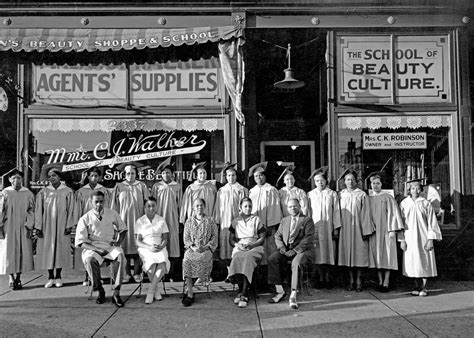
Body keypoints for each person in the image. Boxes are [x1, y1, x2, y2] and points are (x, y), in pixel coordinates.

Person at [75, 191, 127, 307]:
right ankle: (100, 290)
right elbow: (80, 242)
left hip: (109, 246)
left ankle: (116, 293)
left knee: (120, 256)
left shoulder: (112, 214)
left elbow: (123, 229)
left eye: (101, 201)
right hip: (93, 247)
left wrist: (118, 242)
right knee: (90, 260)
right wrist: (96, 249)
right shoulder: (85, 218)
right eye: (96, 202)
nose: (99, 204)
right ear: (91, 202)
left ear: (104, 201)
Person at [268, 198, 315, 310]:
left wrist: (294, 250)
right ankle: (280, 291)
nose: (292, 208)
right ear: (287, 208)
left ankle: (293, 294)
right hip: (286, 250)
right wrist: (283, 249)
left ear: (299, 206)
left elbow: (308, 238)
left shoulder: (307, 220)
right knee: (272, 258)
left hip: (301, 251)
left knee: (297, 263)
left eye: (294, 206)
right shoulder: (284, 220)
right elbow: (277, 236)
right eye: (290, 207)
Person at [34, 164, 76, 288]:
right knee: (48, 250)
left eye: (54, 175)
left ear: (59, 176)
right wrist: (38, 227)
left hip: (62, 225)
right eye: (49, 176)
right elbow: (38, 211)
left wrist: (69, 225)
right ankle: (50, 277)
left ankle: (58, 276)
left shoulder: (67, 191)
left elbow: (71, 209)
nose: (51, 178)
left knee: (60, 250)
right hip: (47, 226)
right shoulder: (43, 192)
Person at [400, 179, 442, 297]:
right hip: (409, 236)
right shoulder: (404, 203)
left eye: (418, 188)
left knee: (424, 261)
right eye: (413, 188)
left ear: (421, 190)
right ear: (409, 190)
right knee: (412, 262)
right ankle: (415, 286)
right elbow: (400, 222)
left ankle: (423, 287)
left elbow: (432, 222)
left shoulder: (425, 203)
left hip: (423, 235)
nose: (416, 190)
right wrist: (402, 239)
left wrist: (430, 239)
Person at [111, 162, 150, 283]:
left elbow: (147, 204)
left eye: (133, 173)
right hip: (123, 221)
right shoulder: (119, 186)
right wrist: (114, 222)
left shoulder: (141, 186)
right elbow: (114, 206)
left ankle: (137, 272)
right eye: (128, 173)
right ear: (124, 174)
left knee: (138, 246)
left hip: (139, 221)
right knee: (125, 246)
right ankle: (127, 273)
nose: (130, 175)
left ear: (136, 174)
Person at [336, 170, 374, 292]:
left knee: (359, 256)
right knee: (347, 256)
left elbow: (366, 214)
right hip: (345, 230)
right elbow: (337, 213)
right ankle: (351, 280)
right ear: (344, 181)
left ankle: (358, 280)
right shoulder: (341, 195)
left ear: (356, 181)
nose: (350, 182)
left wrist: (365, 231)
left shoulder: (361, 194)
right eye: (348, 179)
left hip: (358, 229)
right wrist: (337, 228)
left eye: (352, 179)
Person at [367, 173, 405, 292]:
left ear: (381, 184)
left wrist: (392, 230)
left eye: (378, 183)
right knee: (377, 256)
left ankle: (386, 281)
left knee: (387, 255)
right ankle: (379, 280)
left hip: (386, 231)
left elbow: (393, 214)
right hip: (374, 232)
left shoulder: (388, 198)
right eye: (373, 183)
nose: (376, 185)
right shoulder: (369, 199)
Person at [74, 167, 110, 286]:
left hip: (100, 224)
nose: (94, 178)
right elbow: (78, 209)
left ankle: (97, 276)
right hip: (86, 224)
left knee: (99, 250)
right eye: (91, 176)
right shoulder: (81, 192)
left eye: (96, 176)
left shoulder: (103, 190)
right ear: (88, 177)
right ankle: (87, 276)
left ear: (99, 177)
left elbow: (108, 207)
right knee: (87, 250)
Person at [226, 197, 265, 308]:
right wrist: (238, 245)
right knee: (237, 257)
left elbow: (262, 238)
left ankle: (244, 293)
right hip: (240, 245)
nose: (248, 209)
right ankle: (240, 290)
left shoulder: (256, 219)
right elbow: (231, 240)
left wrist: (251, 245)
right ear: (240, 207)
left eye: (250, 206)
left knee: (247, 258)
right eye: (245, 206)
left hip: (254, 246)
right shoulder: (235, 221)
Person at [0, 169, 35, 290]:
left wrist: (29, 224)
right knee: (9, 252)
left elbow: (31, 210)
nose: (16, 180)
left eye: (19, 178)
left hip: (23, 226)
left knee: (21, 252)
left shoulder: (28, 193)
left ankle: (18, 278)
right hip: (8, 226)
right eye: (14, 178)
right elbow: (1, 211)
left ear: (22, 179)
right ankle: (11, 277)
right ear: (9, 179)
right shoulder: (5, 193)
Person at [181, 198, 218, 307]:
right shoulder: (189, 221)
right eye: (197, 205)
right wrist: (193, 247)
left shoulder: (210, 221)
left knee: (203, 259)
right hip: (192, 249)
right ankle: (190, 293)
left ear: (205, 206)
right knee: (187, 259)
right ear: (193, 207)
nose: (199, 207)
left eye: (201, 205)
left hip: (205, 249)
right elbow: (186, 238)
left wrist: (206, 246)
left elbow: (214, 237)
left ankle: (189, 289)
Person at [307, 169, 339, 288]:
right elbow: (308, 213)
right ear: (314, 182)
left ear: (326, 181)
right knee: (317, 254)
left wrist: (336, 228)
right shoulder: (310, 194)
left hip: (328, 227)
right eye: (317, 181)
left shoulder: (332, 194)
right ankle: (319, 278)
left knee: (329, 252)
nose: (320, 183)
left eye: (322, 180)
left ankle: (328, 278)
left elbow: (336, 212)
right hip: (316, 228)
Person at [135, 197, 170, 304]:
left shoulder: (161, 219)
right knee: (151, 266)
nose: (151, 208)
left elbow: (165, 238)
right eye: (148, 206)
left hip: (159, 246)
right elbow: (138, 241)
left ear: (156, 206)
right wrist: (149, 247)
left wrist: (161, 246)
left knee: (162, 262)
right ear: (145, 207)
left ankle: (151, 291)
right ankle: (156, 290)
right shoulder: (140, 221)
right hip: (145, 247)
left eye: (153, 206)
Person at [151, 157, 182, 279]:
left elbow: (181, 204)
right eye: (163, 173)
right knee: (160, 244)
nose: (166, 175)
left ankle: (171, 273)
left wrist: (180, 220)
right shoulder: (157, 187)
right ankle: (161, 273)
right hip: (159, 218)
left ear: (172, 174)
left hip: (173, 218)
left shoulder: (177, 186)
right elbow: (152, 204)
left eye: (168, 172)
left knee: (173, 245)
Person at [248, 162, 281, 265]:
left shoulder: (271, 190)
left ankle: (269, 276)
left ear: (265, 176)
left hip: (268, 225)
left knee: (269, 250)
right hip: (255, 226)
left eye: (261, 175)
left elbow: (274, 207)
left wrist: (271, 225)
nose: (259, 178)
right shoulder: (252, 191)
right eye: (256, 176)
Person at [214, 162, 248, 260]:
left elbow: (245, 207)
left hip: (237, 218)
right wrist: (217, 220)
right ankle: (226, 261)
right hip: (225, 220)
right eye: (229, 175)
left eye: (233, 175)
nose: (231, 177)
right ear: (226, 177)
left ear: (236, 176)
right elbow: (218, 206)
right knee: (226, 238)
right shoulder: (221, 191)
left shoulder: (242, 189)